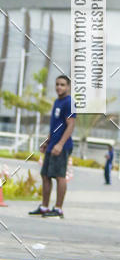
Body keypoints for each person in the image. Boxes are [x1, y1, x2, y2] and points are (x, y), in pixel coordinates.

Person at [29, 74, 76, 218]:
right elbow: (56, 126)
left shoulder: (69, 102)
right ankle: (44, 207)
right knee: (45, 175)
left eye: (62, 85)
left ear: (68, 87)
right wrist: (47, 142)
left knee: (60, 176)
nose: (59, 87)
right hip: (52, 145)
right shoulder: (57, 101)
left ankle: (58, 209)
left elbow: (71, 125)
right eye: (57, 84)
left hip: (62, 146)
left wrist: (60, 144)